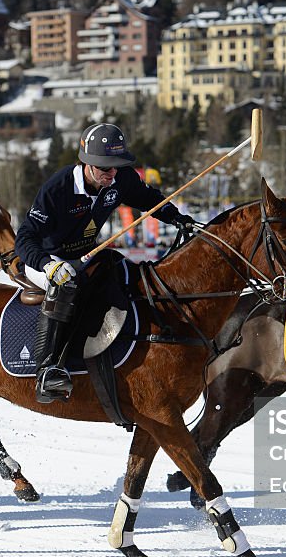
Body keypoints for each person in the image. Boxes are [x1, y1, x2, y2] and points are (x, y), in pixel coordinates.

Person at [15, 123, 195, 403]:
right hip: (46, 260)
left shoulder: (119, 179)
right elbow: (25, 238)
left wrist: (177, 217)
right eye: (106, 168)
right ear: (87, 164)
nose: (113, 174)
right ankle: (47, 371)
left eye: (116, 167)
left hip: (87, 253)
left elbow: (149, 200)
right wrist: (48, 265)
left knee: (122, 268)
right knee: (66, 285)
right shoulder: (58, 188)